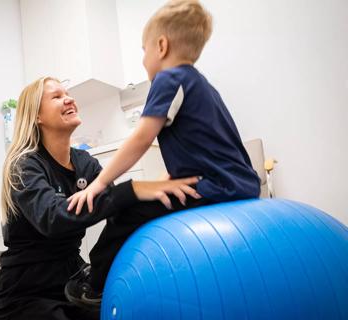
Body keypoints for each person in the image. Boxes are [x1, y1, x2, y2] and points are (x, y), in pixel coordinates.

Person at [65, 0, 261, 309]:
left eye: (143, 50)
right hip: (238, 184)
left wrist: (99, 183)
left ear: (161, 45)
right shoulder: (202, 85)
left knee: (126, 214)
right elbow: (210, 145)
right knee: (151, 203)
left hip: (215, 190)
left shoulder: (169, 80)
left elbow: (141, 138)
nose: (143, 58)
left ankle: (96, 285)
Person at [0, 76, 201, 320]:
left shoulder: (84, 163)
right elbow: (53, 218)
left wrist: (161, 186)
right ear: (37, 117)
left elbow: (115, 205)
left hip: (72, 278)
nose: (69, 99)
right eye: (57, 96)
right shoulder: (24, 164)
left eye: (67, 93)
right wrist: (133, 190)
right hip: (25, 291)